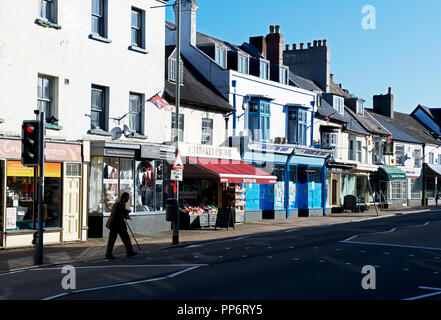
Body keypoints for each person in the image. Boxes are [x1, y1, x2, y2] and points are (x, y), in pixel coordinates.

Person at [105, 192, 138, 260]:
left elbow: (120, 211)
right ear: (125, 197)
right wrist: (125, 216)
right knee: (115, 240)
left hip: (117, 224)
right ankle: (109, 254)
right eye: (128, 198)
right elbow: (117, 213)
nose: (128, 199)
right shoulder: (119, 203)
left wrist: (126, 212)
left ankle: (129, 252)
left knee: (123, 239)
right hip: (116, 224)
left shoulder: (120, 202)